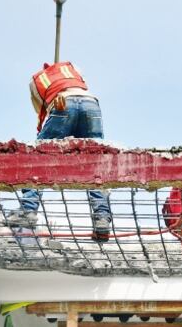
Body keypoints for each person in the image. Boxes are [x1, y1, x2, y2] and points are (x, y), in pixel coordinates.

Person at [7, 61, 112, 241]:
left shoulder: (35, 81)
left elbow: (41, 112)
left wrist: (45, 139)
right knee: (96, 163)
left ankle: (28, 210)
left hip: (62, 103)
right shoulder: (71, 68)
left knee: (38, 158)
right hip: (91, 104)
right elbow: (81, 84)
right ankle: (102, 218)